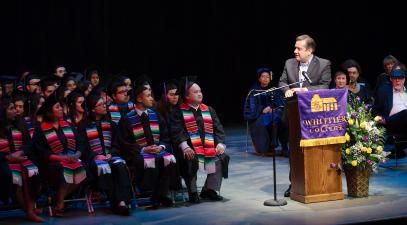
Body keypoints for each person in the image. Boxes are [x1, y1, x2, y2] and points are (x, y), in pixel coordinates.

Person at [278, 34, 332, 198]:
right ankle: (295, 183)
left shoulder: (323, 64)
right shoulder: (289, 63)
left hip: (314, 115)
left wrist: (304, 90)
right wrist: (286, 89)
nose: (295, 51)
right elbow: (282, 81)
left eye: (299, 48)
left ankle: (317, 183)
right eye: (295, 47)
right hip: (292, 114)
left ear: (309, 50)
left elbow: (325, 86)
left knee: (314, 150)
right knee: (294, 150)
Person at [116, 79, 176, 208]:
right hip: (137, 153)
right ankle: (150, 194)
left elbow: (166, 137)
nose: (152, 99)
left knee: (169, 158)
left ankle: (161, 195)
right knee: (145, 160)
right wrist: (144, 150)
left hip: (156, 151)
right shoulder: (127, 119)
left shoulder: (156, 115)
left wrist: (160, 146)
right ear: (139, 99)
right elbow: (124, 143)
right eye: (148, 96)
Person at [170, 77, 229, 204]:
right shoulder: (178, 112)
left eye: (200, 91)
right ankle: (192, 192)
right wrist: (184, 146)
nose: (199, 94)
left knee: (222, 157)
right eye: (195, 92)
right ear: (186, 96)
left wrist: (219, 144)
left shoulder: (208, 110)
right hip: (189, 148)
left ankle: (209, 189)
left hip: (207, 147)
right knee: (190, 158)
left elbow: (218, 128)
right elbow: (176, 131)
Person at [32, 92, 87, 217]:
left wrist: (77, 154)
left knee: (84, 168)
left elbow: (80, 142)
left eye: (61, 106)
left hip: (71, 159)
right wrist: (61, 158)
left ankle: (58, 197)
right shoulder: (41, 129)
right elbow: (41, 151)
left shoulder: (68, 125)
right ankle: (60, 203)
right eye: (57, 107)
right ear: (49, 112)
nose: (61, 109)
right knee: (62, 170)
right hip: (52, 163)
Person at [79, 94, 133, 216]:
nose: (105, 106)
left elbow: (116, 144)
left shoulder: (111, 124)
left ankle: (122, 202)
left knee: (119, 165)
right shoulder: (83, 126)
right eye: (101, 105)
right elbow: (83, 147)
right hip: (94, 160)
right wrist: (95, 156)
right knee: (104, 167)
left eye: (105, 104)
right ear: (93, 109)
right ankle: (117, 203)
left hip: (110, 156)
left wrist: (111, 154)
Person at [0, 97, 43, 222]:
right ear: (3, 111)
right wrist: (8, 157)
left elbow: (29, 144)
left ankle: (29, 209)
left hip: (20, 156)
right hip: (3, 160)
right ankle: (28, 210)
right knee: (13, 176)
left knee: (33, 171)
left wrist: (20, 152)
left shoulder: (20, 123)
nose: (16, 111)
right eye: (11, 109)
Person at [243, 68, 287, 156]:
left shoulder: (275, 90)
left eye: (267, 76)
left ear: (270, 78)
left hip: (274, 113)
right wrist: (262, 109)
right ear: (259, 78)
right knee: (268, 121)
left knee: (282, 120)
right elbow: (250, 108)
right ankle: (268, 146)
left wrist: (272, 107)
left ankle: (284, 147)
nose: (265, 78)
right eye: (263, 76)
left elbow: (281, 103)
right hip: (259, 116)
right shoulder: (254, 91)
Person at [373, 69, 407, 150]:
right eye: (395, 78)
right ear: (391, 79)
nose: (397, 81)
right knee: (405, 113)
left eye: (400, 78)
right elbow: (375, 108)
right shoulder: (384, 91)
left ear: (404, 79)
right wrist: (379, 117)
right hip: (391, 124)